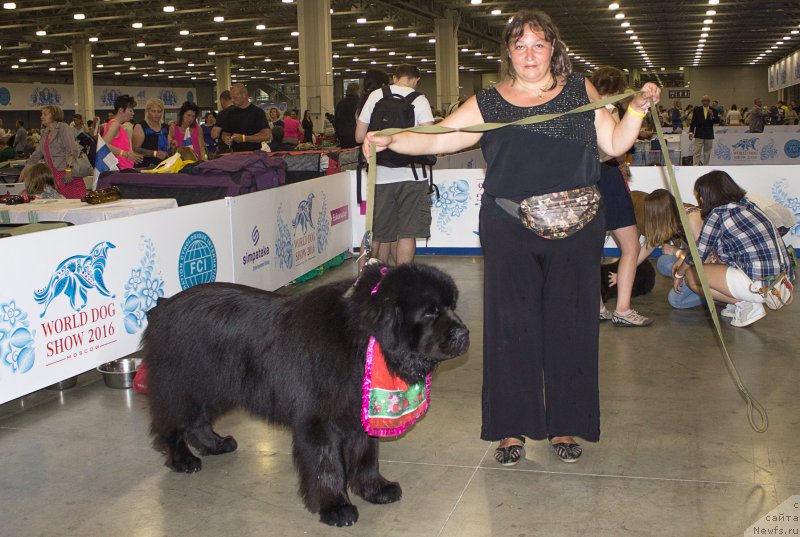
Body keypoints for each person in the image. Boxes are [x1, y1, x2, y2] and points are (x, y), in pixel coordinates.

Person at [363, 10, 659, 465]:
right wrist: (393, 140)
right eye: (520, 46)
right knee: (510, 327)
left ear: (553, 48)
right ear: (508, 53)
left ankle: (565, 425)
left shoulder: (580, 91)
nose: (530, 55)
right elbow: (440, 137)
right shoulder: (490, 101)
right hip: (509, 227)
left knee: (572, 326)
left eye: (538, 44)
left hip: (577, 228)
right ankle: (510, 429)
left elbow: (616, 144)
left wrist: (636, 109)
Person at [673, 171, 794, 328]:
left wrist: (679, 274)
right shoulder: (748, 205)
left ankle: (747, 304)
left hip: (760, 285)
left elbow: (697, 255)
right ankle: (743, 302)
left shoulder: (718, 213)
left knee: (692, 276)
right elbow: (726, 256)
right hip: (781, 281)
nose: (700, 199)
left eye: (700, 195)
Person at [356, 63, 435, 266]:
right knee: (407, 234)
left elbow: (359, 136)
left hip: (379, 175)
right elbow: (431, 136)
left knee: (376, 233)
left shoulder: (375, 96)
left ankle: (363, 279)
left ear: (394, 77)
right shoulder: (419, 99)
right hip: (412, 175)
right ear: (416, 79)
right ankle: (402, 281)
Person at [591, 66, 652, 327]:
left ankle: (598, 307)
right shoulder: (611, 110)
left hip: (586, 180)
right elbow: (613, 148)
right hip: (609, 178)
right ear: (617, 90)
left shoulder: (584, 109)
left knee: (591, 250)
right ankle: (623, 309)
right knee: (631, 246)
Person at [23, 104, 85, 198]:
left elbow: (72, 150)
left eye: (45, 114)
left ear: (54, 115)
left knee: (72, 200)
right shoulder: (45, 132)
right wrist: (27, 166)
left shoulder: (63, 127)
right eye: (42, 114)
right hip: (53, 174)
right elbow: (37, 153)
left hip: (66, 172)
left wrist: (68, 170)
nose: (41, 117)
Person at [216, 84, 271, 152]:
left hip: (254, 153)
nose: (232, 100)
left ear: (244, 95)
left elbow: (266, 135)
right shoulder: (230, 113)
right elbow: (225, 134)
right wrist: (226, 139)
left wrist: (244, 138)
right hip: (236, 154)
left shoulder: (257, 112)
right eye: (231, 97)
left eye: (235, 97)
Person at [103, 94, 143, 170]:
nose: (133, 113)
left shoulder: (118, 126)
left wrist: (130, 154)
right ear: (121, 110)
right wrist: (126, 154)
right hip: (120, 170)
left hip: (124, 169)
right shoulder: (115, 124)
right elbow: (104, 146)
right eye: (130, 110)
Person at [132, 98, 169, 168]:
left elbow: (168, 148)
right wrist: (154, 153)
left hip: (164, 165)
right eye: (153, 111)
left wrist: (172, 146)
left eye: (159, 111)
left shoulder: (165, 127)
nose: (156, 114)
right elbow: (135, 149)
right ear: (148, 112)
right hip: (145, 166)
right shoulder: (140, 126)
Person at [689, 95, 718, 165]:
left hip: (709, 134)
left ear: (709, 101)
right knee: (696, 152)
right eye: (704, 101)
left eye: (707, 101)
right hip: (699, 134)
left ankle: (706, 167)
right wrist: (691, 132)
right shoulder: (697, 109)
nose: (705, 102)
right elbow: (693, 121)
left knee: (707, 153)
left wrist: (712, 115)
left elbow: (717, 121)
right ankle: (695, 167)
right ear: (701, 101)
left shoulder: (714, 110)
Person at [334, 83, 360, 148]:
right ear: (357, 91)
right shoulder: (360, 103)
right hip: (356, 135)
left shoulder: (340, 103)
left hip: (343, 137)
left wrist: (338, 134)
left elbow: (336, 121)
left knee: (345, 153)